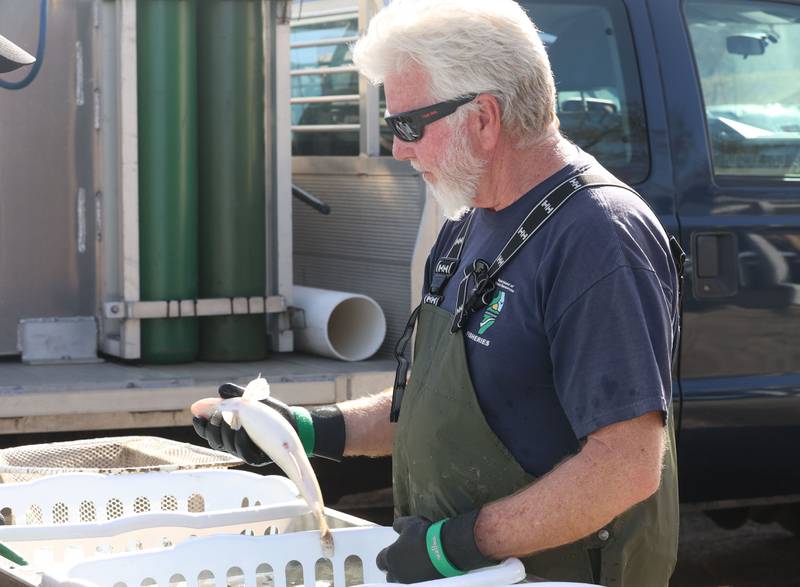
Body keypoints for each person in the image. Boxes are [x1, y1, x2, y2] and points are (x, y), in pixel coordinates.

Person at [193, 0, 682, 584]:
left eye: (407, 125)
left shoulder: (598, 237)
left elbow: (625, 467)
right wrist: (300, 430)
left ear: (483, 118)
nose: (398, 148)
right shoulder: (469, 214)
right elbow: (438, 404)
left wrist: (462, 543)